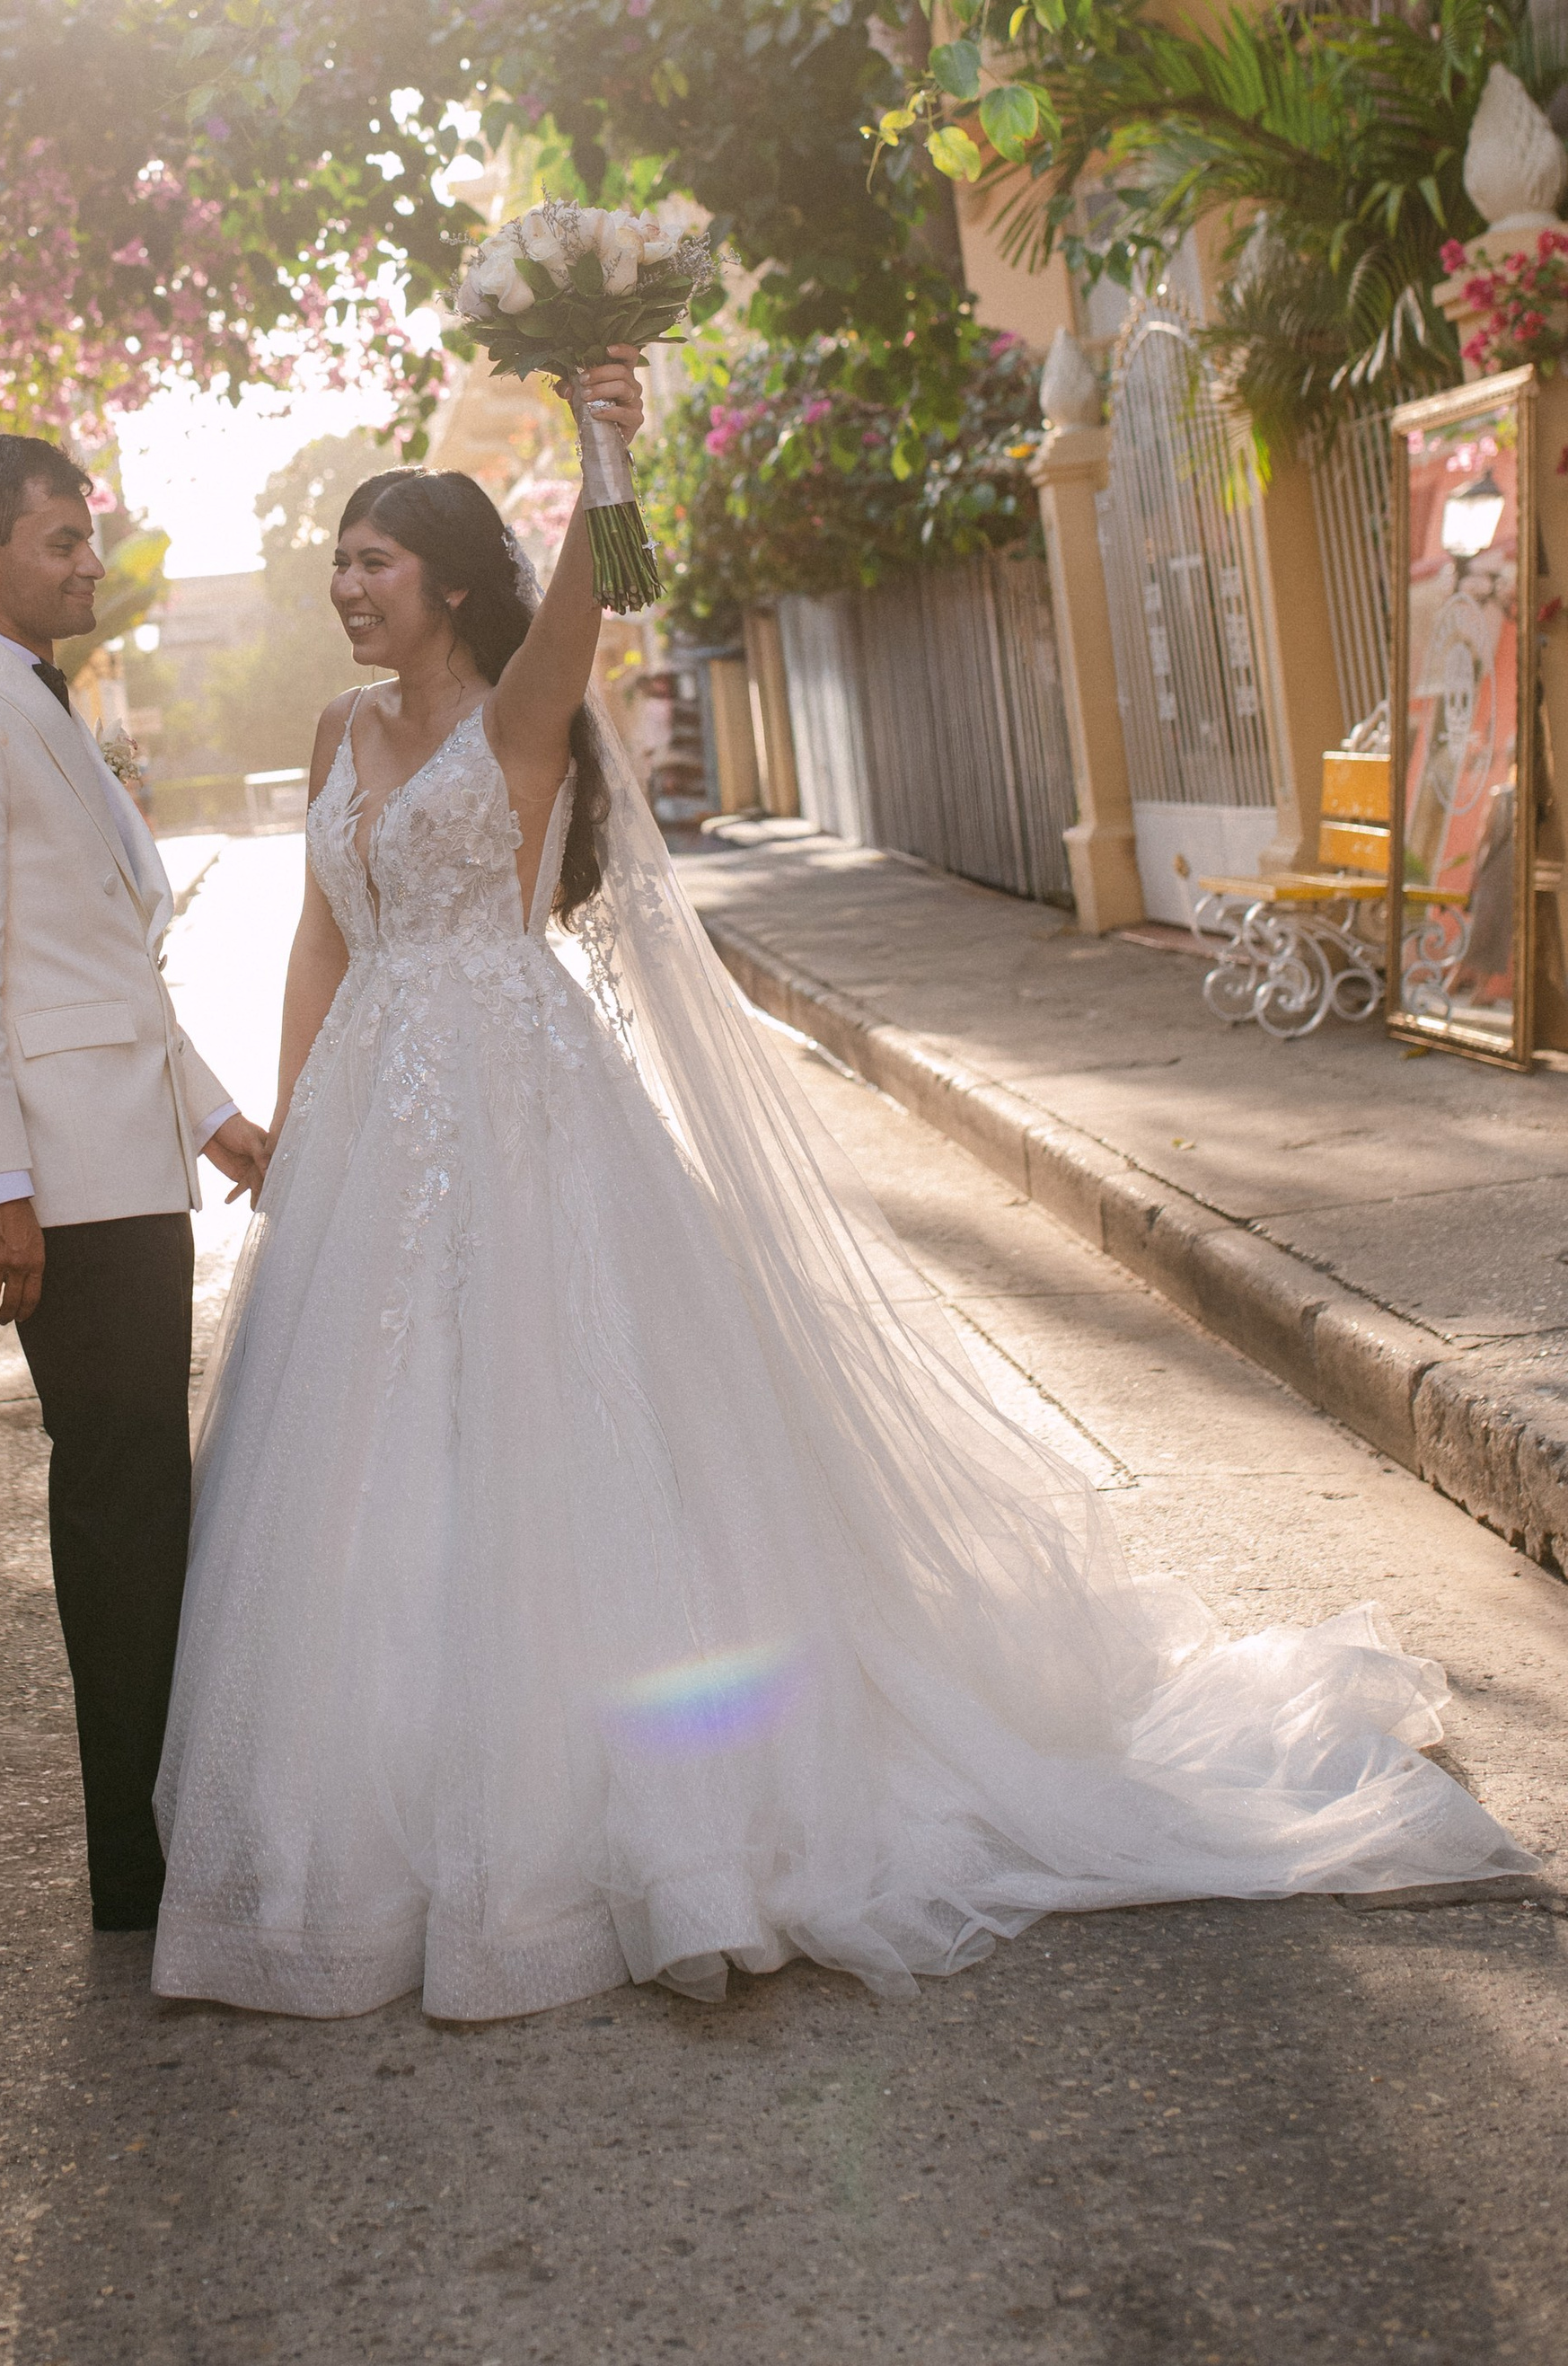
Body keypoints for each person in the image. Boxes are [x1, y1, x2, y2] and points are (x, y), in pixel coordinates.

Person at [151, 360, 1528, 2019]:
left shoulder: (521, 712)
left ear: (445, 578)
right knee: (366, 1445)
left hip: (517, 1097)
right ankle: (365, 1829)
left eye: (371, 561)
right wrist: (298, 1132)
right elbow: (319, 934)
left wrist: (605, 441)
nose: (345, 592)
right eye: (334, 569)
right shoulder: (332, 732)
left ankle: (649, 1829)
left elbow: (592, 572)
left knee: (561, 1415)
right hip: (378, 1098)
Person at [0, 431, 269, 1932]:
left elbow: (102, 957)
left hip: (130, 1162)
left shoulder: (31, 700)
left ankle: (163, 1827)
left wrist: (214, 1112)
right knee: (118, 1503)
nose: (87, 560)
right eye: (60, 538)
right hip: (69, 1190)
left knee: (143, 1494)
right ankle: (137, 1860)